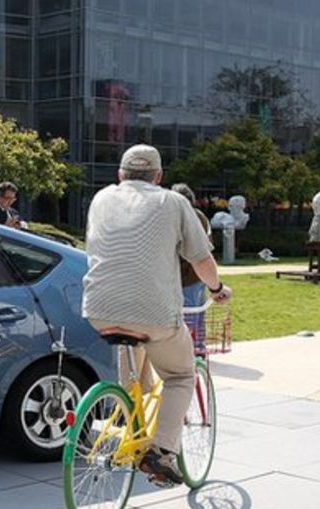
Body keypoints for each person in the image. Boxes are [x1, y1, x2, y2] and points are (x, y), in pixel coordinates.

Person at [82, 144, 232, 487]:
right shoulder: (174, 202)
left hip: (99, 310)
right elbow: (201, 260)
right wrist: (216, 289)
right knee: (181, 374)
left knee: (133, 366)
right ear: (159, 176)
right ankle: (161, 451)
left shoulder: (101, 198)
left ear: (120, 175)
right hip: (154, 314)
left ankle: (129, 412)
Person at [173, 183, 212, 356]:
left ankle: (191, 349)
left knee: (187, 314)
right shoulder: (200, 217)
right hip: (199, 275)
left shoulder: (179, 218)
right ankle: (198, 347)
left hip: (185, 275)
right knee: (197, 312)